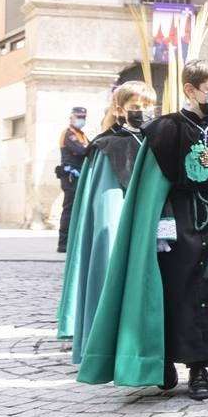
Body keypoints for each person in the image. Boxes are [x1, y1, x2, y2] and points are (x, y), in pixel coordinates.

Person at [79, 60, 208, 401]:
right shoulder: (164, 131)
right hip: (177, 223)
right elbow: (152, 187)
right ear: (191, 90)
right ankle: (162, 360)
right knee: (176, 293)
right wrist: (159, 227)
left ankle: (200, 368)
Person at [56, 81, 157, 360]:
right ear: (120, 109)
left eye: (149, 107)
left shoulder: (157, 139)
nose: (144, 112)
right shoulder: (106, 145)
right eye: (136, 107)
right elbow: (106, 207)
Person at [57, 107, 90, 250]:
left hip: (79, 175)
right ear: (71, 117)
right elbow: (82, 150)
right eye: (78, 116)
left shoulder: (81, 134)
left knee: (77, 208)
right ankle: (63, 243)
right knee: (69, 209)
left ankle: (74, 240)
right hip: (71, 176)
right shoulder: (69, 133)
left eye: (83, 116)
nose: (81, 119)